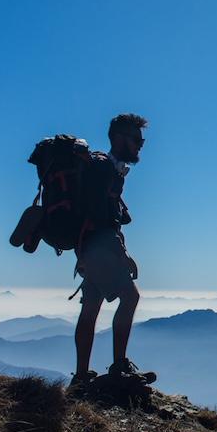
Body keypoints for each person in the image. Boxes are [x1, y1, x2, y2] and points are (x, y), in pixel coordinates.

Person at [70, 113, 154, 386]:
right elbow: (101, 218)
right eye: (136, 139)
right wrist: (122, 254)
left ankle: (81, 375)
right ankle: (119, 366)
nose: (141, 144)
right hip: (99, 247)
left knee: (91, 306)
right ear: (119, 138)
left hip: (87, 248)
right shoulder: (104, 169)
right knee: (130, 297)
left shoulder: (106, 168)